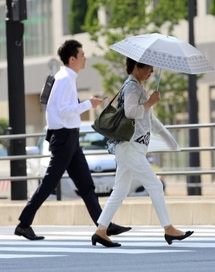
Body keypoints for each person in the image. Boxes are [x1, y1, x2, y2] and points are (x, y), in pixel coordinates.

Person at [15, 39, 131, 240]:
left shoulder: (66, 78)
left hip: (70, 138)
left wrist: (87, 104)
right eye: (82, 54)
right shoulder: (64, 79)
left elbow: (62, 110)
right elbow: (63, 110)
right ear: (72, 58)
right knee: (50, 183)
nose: (85, 57)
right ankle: (24, 224)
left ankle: (103, 224)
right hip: (64, 137)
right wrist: (89, 104)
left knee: (86, 184)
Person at [91, 57, 193, 248]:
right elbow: (130, 112)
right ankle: (168, 229)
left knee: (120, 190)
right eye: (148, 68)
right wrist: (150, 102)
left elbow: (150, 120)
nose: (151, 72)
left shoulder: (137, 87)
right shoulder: (132, 87)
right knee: (155, 185)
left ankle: (101, 230)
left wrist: (167, 137)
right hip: (130, 148)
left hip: (130, 147)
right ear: (137, 66)